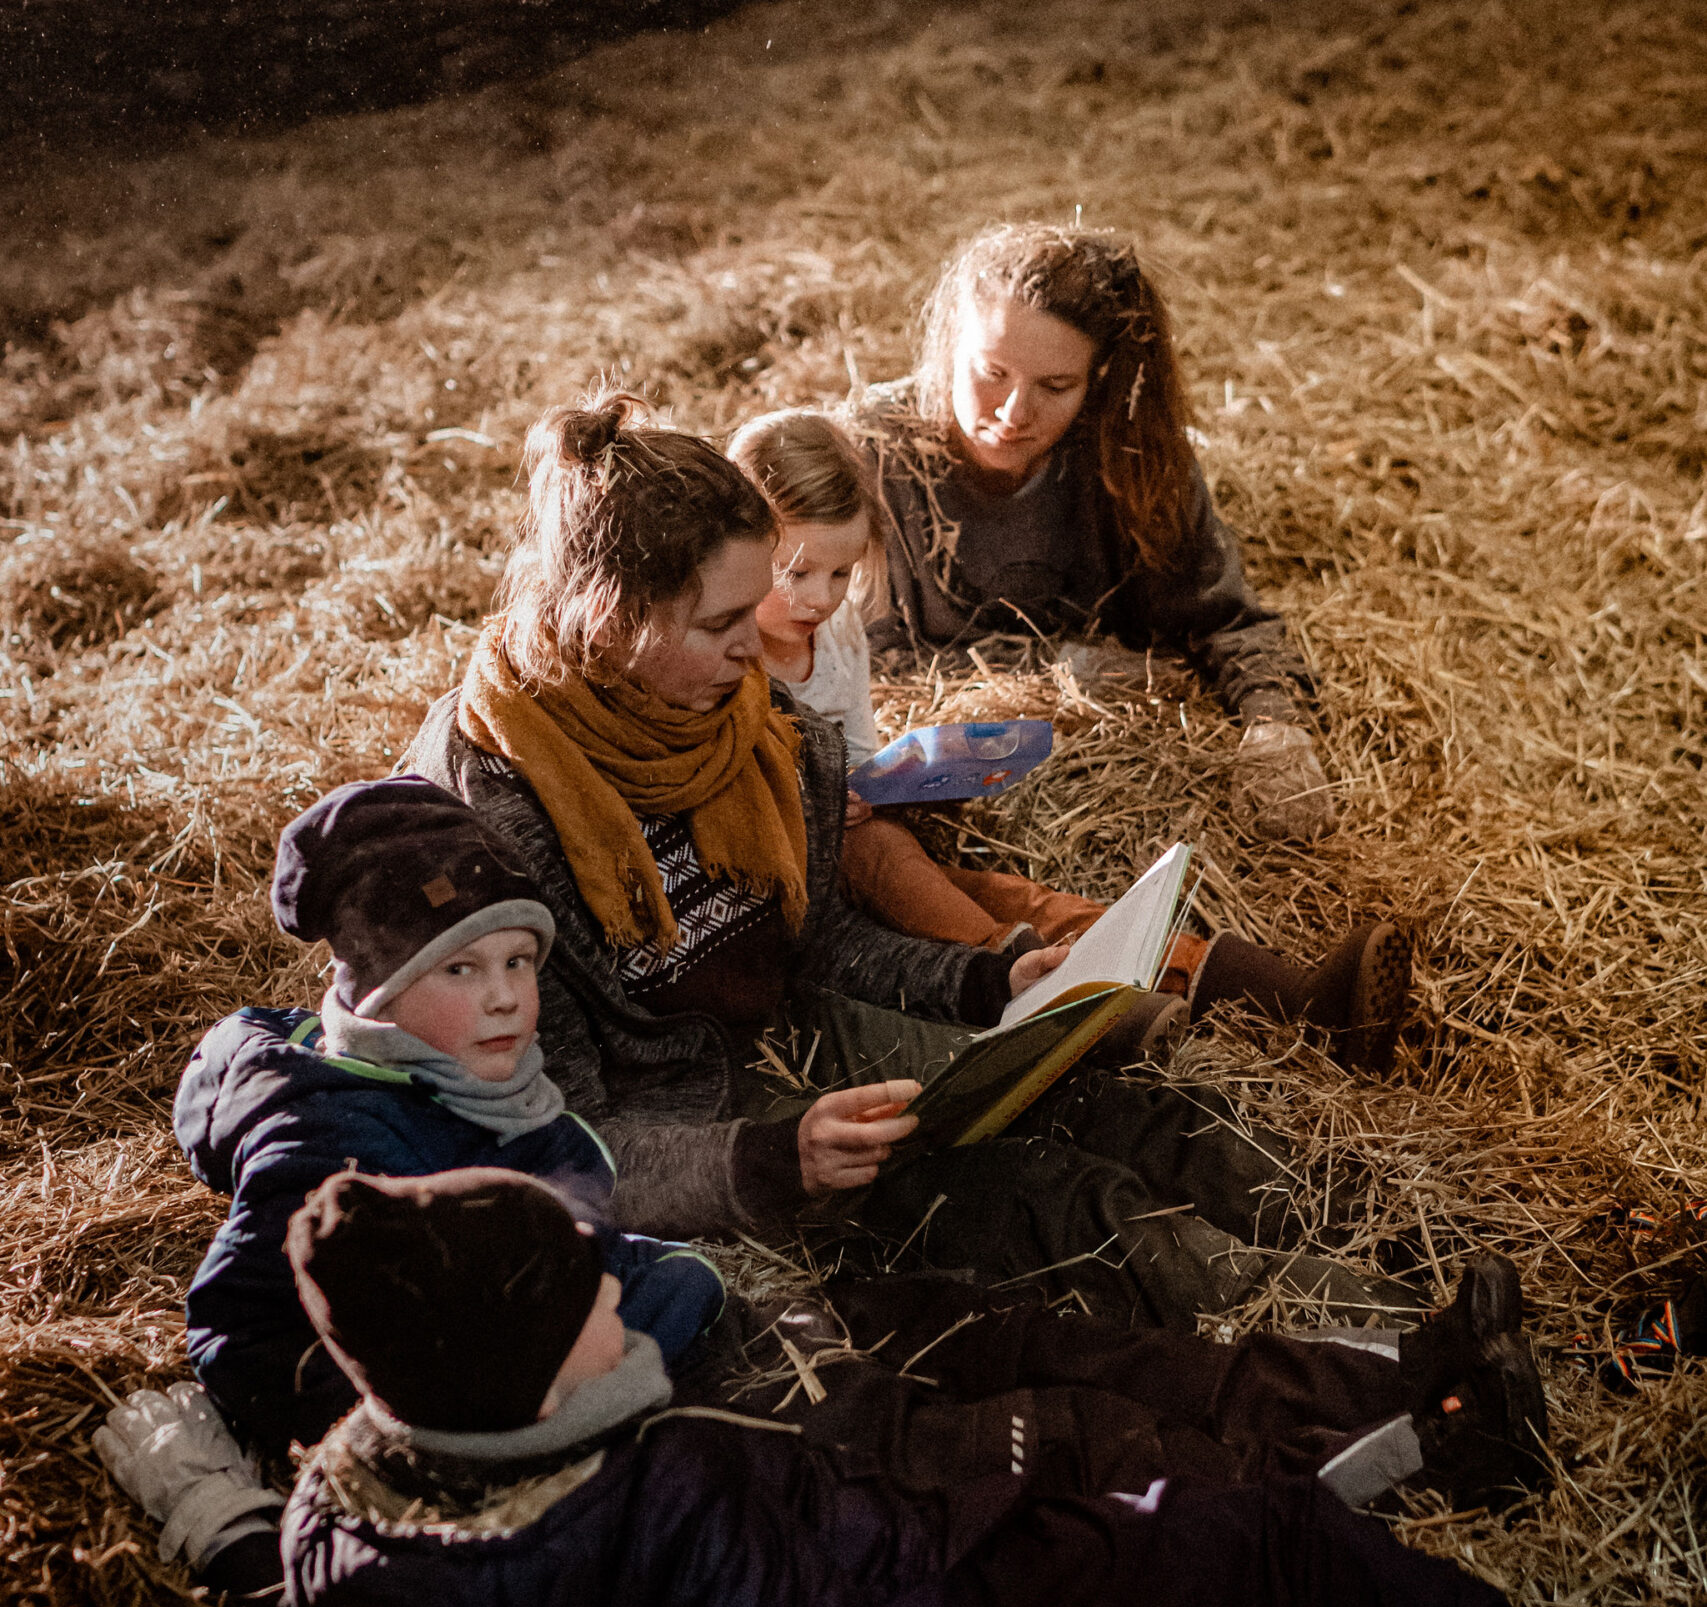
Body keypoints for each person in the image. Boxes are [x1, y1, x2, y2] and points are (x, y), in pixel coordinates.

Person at [238, 1169, 1707, 1607]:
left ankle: (1420, 1483)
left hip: (894, 1519)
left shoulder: (357, 1523)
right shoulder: (661, 1501)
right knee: (1267, 1538)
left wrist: (186, 1488)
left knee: (1150, 1467)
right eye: (584, 1307)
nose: (618, 1295)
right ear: (527, 1386)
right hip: (947, 1587)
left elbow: (275, 1584)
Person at [402, 393, 1419, 1334]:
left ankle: (1415, 1251)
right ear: (612, 618)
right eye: (720, 626)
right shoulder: (497, 815)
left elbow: (824, 938)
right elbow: (554, 1139)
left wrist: (988, 977)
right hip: (705, 1126)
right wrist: (771, 1156)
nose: (754, 652)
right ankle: (1382, 1342)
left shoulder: (748, 721)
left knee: (1130, 1106)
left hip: (797, 1033)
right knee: (1058, 1207)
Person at [730, 405, 1410, 1072]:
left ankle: (1291, 999)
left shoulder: (838, 632)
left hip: (860, 848)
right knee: (894, 862)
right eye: (794, 573)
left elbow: (852, 745)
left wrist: (898, 777)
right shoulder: (727, 657)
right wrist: (822, 804)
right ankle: (1049, 991)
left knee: (1007, 895)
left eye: (841, 574)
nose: (817, 598)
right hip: (800, 872)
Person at [170, 774, 729, 1464]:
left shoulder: (491, 1087)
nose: (502, 997)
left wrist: (680, 1276)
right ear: (378, 997)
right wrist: (420, 1426)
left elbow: (565, 1242)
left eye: (518, 961)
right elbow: (242, 1334)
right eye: (459, 970)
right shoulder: (334, 1147)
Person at [849, 222, 1339, 868]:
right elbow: (864, 659)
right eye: (990, 372)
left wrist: (1275, 723)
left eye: (1055, 387)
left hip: (1125, 790)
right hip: (949, 791)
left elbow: (1223, 618)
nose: (1013, 412)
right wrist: (1068, 668)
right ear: (950, 346)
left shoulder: (1129, 449)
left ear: (1098, 379)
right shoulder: (875, 453)